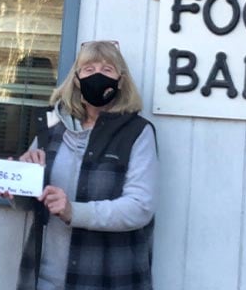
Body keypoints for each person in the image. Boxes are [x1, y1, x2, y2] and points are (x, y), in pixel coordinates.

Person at [14, 40, 158, 290]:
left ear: (121, 80)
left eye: (107, 69)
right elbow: (27, 201)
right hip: (45, 279)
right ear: (77, 79)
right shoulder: (50, 127)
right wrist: (18, 181)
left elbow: (139, 207)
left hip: (108, 279)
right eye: (89, 69)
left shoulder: (137, 132)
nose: (98, 75)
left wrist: (74, 212)